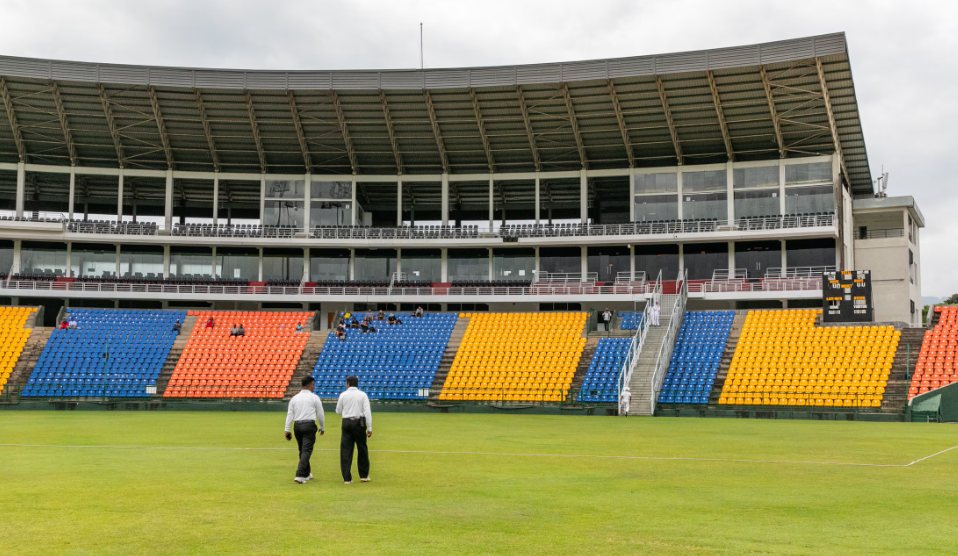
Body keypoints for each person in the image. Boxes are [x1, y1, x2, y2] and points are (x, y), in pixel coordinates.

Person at [284, 376, 325, 484]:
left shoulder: (294, 398)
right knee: (306, 450)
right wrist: (322, 427)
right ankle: (300, 475)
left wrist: (287, 429)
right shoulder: (314, 398)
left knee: (302, 450)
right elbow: (320, 414)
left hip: (297, 426)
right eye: (312, 384)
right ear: (308, 385)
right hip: (309, 426)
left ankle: (306, 473)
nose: (314, 386)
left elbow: (290, 414)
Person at [336, 375, 372, 484]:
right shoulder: (362, 395)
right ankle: (364, 475)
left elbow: (338, 411)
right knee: (362, 448)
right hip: (359, 423)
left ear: (348, 384)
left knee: (346, 450)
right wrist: (369, 427)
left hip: (346, 422)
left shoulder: (343, 395)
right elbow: (367, 412)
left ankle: (347, 478)